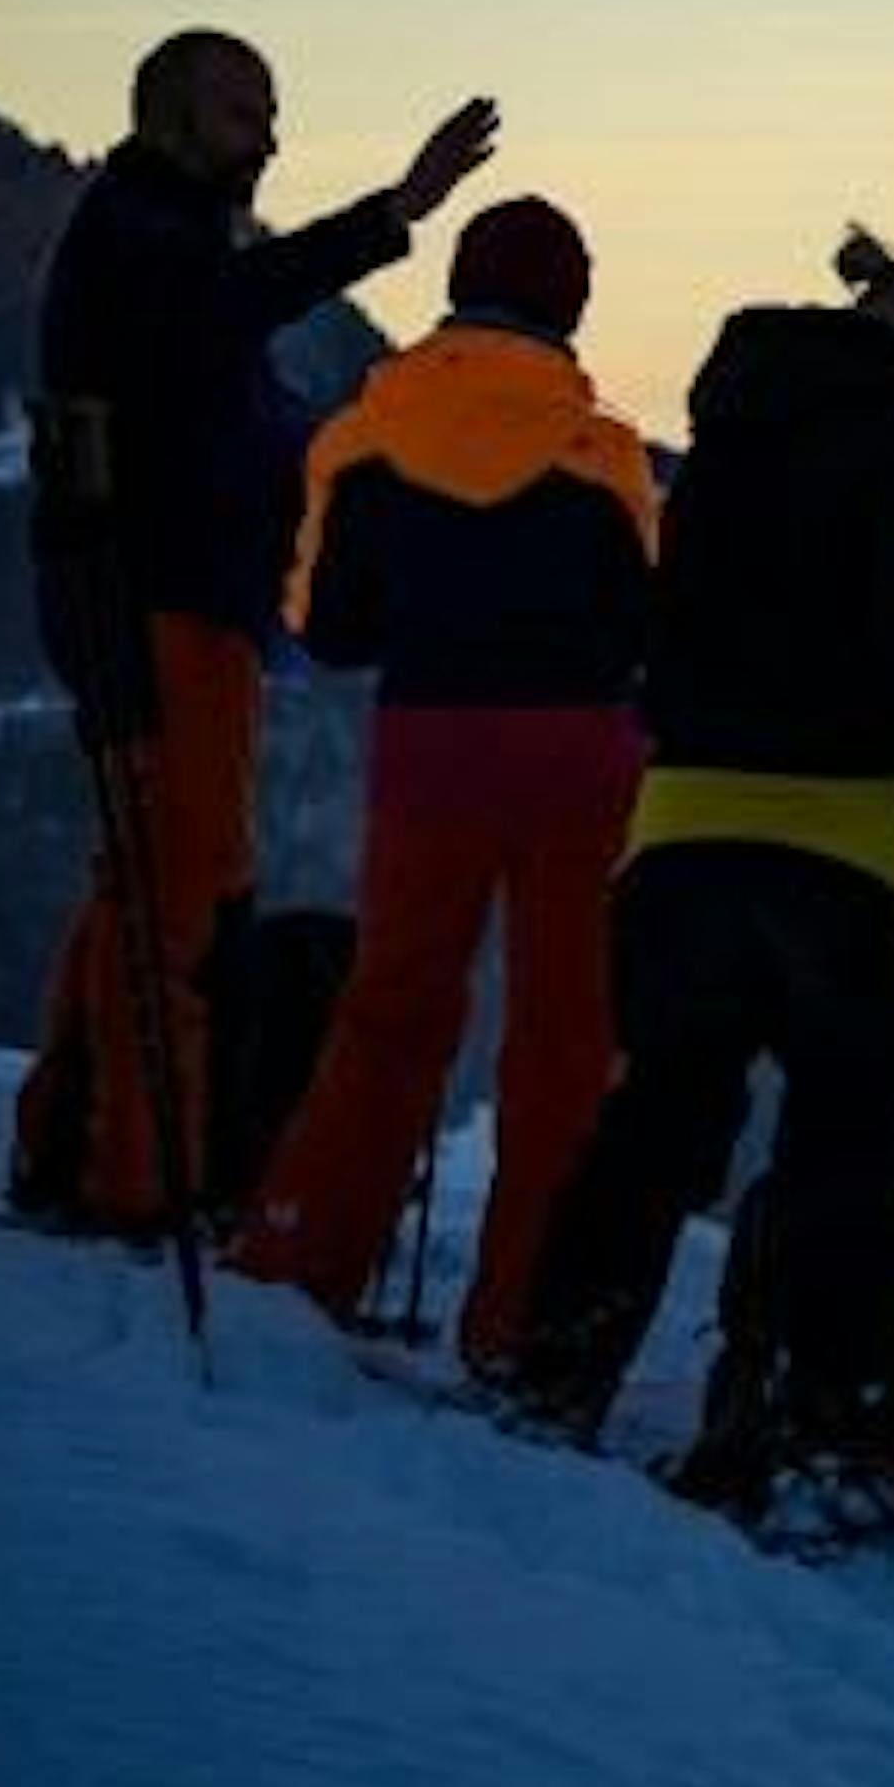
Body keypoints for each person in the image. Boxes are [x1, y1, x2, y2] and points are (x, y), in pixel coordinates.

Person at [498, 226, 894, 1546]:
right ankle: (814, 1427)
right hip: (845, 857)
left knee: (658, 1116)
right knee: (851, 1148)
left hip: (678, 836)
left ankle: (551, 1372)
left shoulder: (730, 427)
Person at [8, 30, 498, 1241]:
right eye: (244, 114)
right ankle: (134, 1181)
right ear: (174, 116)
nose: (268, 138)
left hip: (166, 600)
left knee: (149, 879)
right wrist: (399, 212)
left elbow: (219, 374)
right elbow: (223, 324)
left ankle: (70, 1143)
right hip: (168, 604)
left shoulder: (150, 237)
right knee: (180, 892)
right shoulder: (146, 238)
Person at [225, 198, 657, 1375]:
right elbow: (642, 629)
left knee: (392, 1013)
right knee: (568, 1034)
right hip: (581, 760)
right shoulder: (603, 452)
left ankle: (302, 1257)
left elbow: (328, 628)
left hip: (428, 749)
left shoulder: (363, 438)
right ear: (570, 304)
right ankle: (524, 1319)